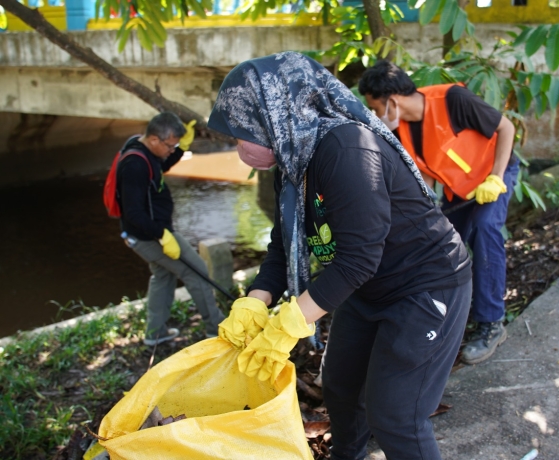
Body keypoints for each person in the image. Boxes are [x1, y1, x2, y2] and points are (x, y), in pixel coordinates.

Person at [209, 52, 472, 460]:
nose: (238, 148)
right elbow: (284, 244)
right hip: (366, 288)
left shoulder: (347, 150)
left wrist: (290, 323)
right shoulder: (293, 159)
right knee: (341, 387)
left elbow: (359, 257)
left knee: (397, 416)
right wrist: (255, 301)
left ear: (273, 119)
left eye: (241, 134)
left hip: (424, 285)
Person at [358, 60, 519, 365]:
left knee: (485, 229)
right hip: (462, 191)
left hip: (496, 173)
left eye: (375, 108)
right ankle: (440, 317)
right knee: (439, 242)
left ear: (392, 101)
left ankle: (492, 324)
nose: (376, 116)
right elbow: (426, 175)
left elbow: (506, 128)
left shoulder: (451, 101)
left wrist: (496, 178)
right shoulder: (402, 130)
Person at [116, 112, 225, 345]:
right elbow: (133, 213)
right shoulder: (134, 166)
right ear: (154, 139)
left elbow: (161, 164)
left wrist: (179, 149)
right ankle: (216, 329)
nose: (171, 150)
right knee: (196, 271)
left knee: (163, 276)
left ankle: (155, 333)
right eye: (170, 145)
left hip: (151, 233)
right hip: (149, 236)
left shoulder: (145, 149)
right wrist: (162, 235)